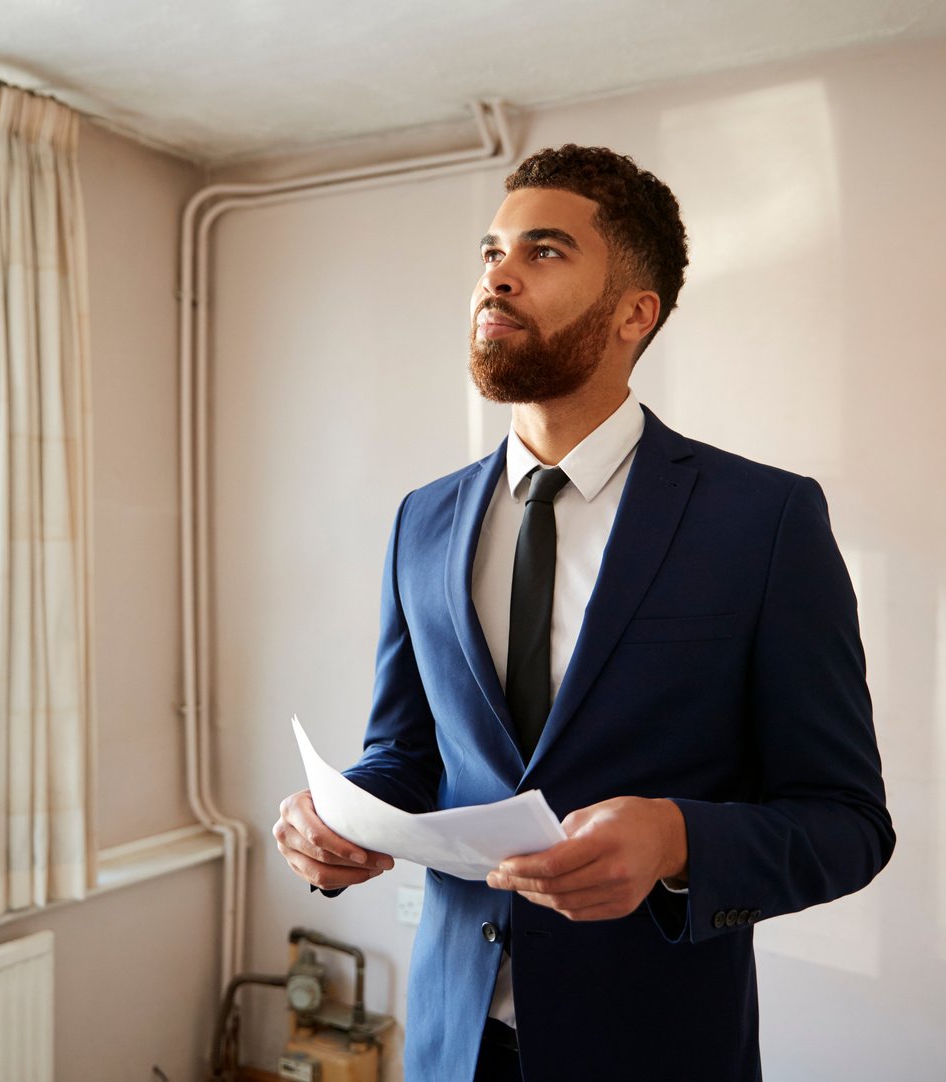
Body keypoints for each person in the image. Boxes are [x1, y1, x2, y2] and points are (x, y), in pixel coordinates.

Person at [272, 144, 895, 1081]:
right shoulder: (422, 519)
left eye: (546, 251)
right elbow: (407, 752)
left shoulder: (763, 519)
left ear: (634, 314)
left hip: (654, 1043)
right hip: (451, 1038)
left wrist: (678, 838)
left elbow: (846, 823)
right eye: (491, 253)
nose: (499, 276)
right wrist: (335, 817)